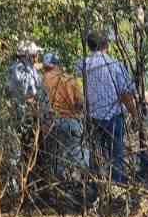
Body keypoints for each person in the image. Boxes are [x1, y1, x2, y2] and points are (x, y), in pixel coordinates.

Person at [80, 30, 138, 188]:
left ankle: (95, 188)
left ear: (90, 46)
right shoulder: (115, 65)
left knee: (95, 155)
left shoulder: (83, 65)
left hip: (92, 118)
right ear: (106, 45)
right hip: (113, 117)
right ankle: (116, 188)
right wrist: (135, 115)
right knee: (116, 155)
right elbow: (126, 94)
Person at [41, 52, 89, 178]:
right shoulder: (70, 79)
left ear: (46, 67)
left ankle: (60, 189)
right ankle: (87, 183)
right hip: (72, 122)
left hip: (52, 124)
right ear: (58, 65)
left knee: (56, 160)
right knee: (79, 156)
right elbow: (80, 103)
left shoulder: (42, 80)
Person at [6, 40, 46, 176]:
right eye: (35, 55)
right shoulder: (18, 70)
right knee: (26, 152)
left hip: (31, 117)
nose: (37, 57)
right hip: (23, 119)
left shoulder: (30, 69)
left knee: (35, 153)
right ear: (27, 56)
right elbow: (29, 93)